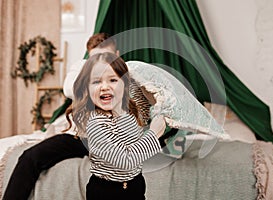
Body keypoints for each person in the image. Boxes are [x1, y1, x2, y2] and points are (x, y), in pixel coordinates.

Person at [2, 33, 174, 200]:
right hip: (82, 138)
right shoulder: (83, 74)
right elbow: (70, 87)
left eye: (106, 58)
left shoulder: (129, 79)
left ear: (117, 55)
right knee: (30, 156)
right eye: (94, 60)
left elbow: (149, 110)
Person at [72, 52, 165, 199]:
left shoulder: (130, 109)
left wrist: (151, 96)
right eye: (96, 82)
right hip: (107, 191)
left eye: (113, 80)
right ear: (87, 89)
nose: (104, 87)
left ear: (124, 84)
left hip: (135, 183)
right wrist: (153, 134)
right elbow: (125, 161)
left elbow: (147, 114)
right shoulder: (96, 124)